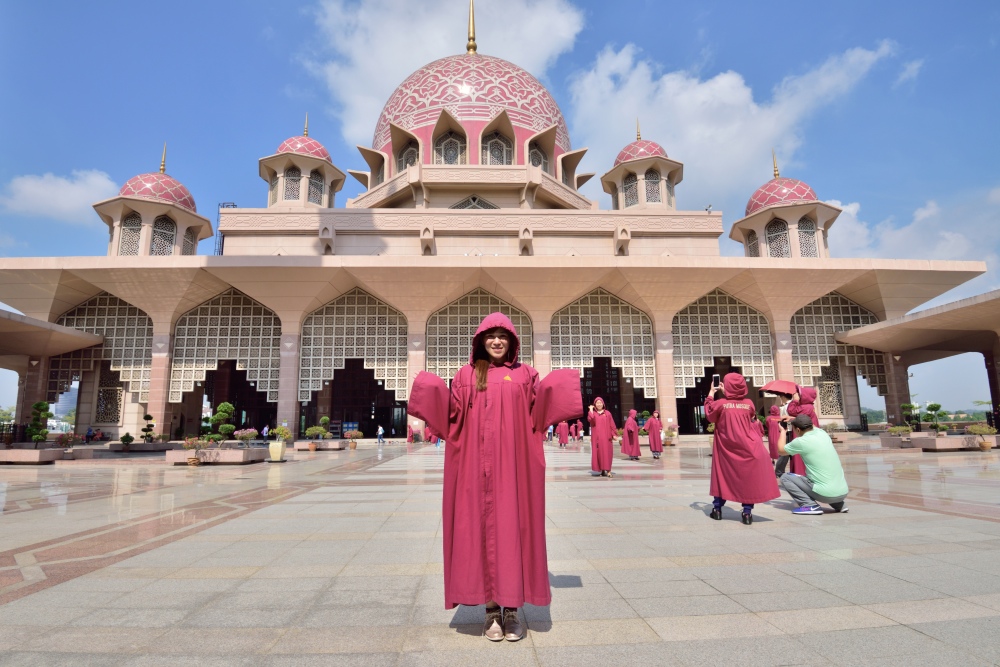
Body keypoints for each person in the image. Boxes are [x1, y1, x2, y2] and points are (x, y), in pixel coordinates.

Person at [407, 312, 581, 642]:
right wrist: (427, 387)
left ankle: (512, 609)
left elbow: (540, 413)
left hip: (513, 471)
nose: (496, 341)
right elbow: (450, 419)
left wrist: (564, 382)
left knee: (511, 533)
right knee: (479, 534)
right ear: (480, 341)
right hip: (474, 469)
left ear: (512, 341)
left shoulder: (526, 375)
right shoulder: (465, 376)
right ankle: (490, 612)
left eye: (503, 336)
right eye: (490, 336)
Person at [705, 373, 780, 525]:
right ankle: (747, 513)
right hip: (747, 447)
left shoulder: (720, 404)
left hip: (726, 448)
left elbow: (710, 415)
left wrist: (712, 393)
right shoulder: (749, 404)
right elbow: (750, 416)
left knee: (722, 476)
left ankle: (717, 510)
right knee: (747, 479)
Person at [777, 414, 849, 514]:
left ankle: (809, 505)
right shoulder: (822, 433)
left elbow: (781, 450)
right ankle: (840, 504)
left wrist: (783, 432)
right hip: (842, 492)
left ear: (798, 430)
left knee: (785, 477)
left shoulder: (801, 441)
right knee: (817, 478)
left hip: (825, 494)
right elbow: (812, 425)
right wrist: (794, 419)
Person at [588, 397, 617, 477]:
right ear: (595, 405)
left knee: (607, 454)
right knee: (599, 454)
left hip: (606, 438)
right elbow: (591, 419)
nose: (599, 404)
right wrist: (591, 410)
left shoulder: (607, 413)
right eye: (597, 403)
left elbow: (612, 424)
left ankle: (608, 471)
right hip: (597, 439)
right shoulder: (593, 413)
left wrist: (614, 434)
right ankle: (602, 470)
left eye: (600, 402)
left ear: (603, 404)